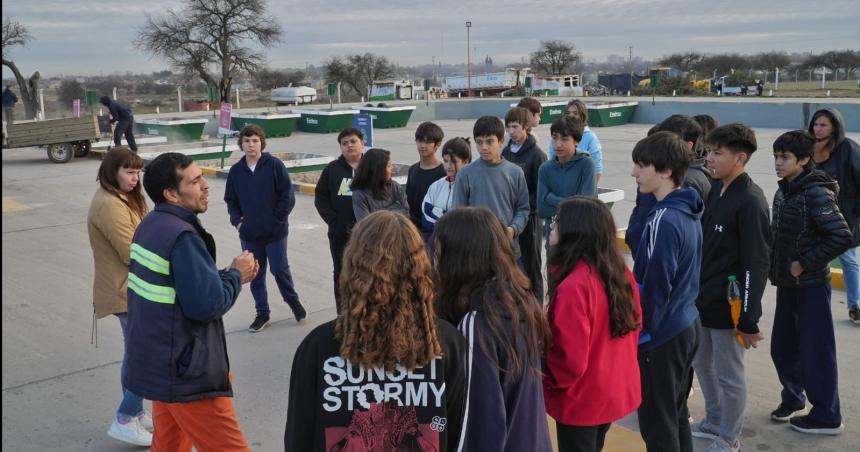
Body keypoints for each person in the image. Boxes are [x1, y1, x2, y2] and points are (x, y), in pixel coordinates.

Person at [284, 211, 467, 452]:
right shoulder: (447, 344)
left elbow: (299, 440)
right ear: (421, 269)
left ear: (353, 269)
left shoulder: (318, 347)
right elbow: (455, 437)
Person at [124, 152, 259, 451]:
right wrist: (236, 275)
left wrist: (223, 276)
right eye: (195, 181)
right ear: (171, 194)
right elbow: (206, 304)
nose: (206, 186)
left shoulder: (150, 225)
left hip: (159, 362)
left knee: (169, 446)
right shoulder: (183, 236)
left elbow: (183, 288)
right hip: (188, 374)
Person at [434, 207, 553, 452]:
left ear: (459, 258)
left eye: (438, 251)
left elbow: (479, 426)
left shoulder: (475, 325)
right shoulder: (517, 302)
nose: (433, 260)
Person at [691, 123, 771, 452]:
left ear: (740, 158)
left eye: (716, 153)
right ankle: (714, 419)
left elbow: (757, 263)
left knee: (729, 374)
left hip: (730, 306)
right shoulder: (716, 189)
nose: (708, 158)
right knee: (701, 363)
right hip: (703, 299)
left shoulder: (750, 201)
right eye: (708, 151)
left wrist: (748, 317)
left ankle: (729, 437)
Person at [544, 197, 642, 452]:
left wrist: (546, 379)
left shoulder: (574, 286)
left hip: (582, 397)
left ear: (574, 232)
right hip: (612, 388)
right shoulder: (619, 271)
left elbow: (570, 360)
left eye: (556, 222)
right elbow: (637, 322)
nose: (551, 227)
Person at [769, 130, 850, 435]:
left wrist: (803, 263)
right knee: (783, 348)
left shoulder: (816, 193)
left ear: (803, 160)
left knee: (816, 352)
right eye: (776, 156)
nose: (778, 162)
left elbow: (841, 236)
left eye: (784, 157)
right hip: (788, 286)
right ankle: (793, 398)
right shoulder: (785, 191)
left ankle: (827, 416)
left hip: (812, 286)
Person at [630, 132, 703, 452]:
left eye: (642, 166)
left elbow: (656, 285)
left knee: (657, 424)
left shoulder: (664, 218)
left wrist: (640, 330)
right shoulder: (688, 211)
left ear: (666, 171)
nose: (634, 173)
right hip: (686, 324)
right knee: (675, 415)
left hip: (661, 336)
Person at [87, 147, 152, 446]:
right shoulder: (109, 204)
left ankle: (135, 412)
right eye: (129, 171)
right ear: (112, 172)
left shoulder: (123, 198)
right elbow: (131, 252)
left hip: (131, 288)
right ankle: (126, 416)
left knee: (135, 353)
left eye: (137, 172)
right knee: (143, 355)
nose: (135, 178)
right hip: (125, 289)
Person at [224, 124, 306, 333]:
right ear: (241, 144)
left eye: (255, 140)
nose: (251, 145)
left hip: (275, 232)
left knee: (279, 270)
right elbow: (231, 200)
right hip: (250, 234)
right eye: (246, 141)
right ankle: (262, 313)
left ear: (262, 143)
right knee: (255, 275)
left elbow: (287, 195)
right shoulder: (236, 171)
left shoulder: (274, 165)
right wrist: (237, 221)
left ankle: (293, 302)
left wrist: (277, 219)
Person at [626, 115, 711, 254]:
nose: (634, 172)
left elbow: (660, 272)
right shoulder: (685, 199)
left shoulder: (666, 220)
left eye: (641, 165)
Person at [808, 107, 860, 324]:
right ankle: (817, 307)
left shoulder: (848, 148)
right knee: (816, 261)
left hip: (844, 215)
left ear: (834, 127)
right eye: (816, 124)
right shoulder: (806, 147)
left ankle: (855, 305)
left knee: (848, 259)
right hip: (813, 214)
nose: (818, 129)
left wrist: (857, 212)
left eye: (824, 125)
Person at [451, 115, 530, 254]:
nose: (484, 147)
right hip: (476, 252)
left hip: (507, 250)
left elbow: (523, 209)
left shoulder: (515, 173)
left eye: (489, 141)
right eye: (479, 142)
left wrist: (512, 230)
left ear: (501, 141)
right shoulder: (465, 174)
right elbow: (458, 214)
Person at [315, 128, 364, 314]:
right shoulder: (332, 170)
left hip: (368, 235)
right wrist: (333, 221)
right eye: (345, 143)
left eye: (353, 141)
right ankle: (342, 315)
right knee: (342, 274)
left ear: (362, 143)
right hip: (339, 235)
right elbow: (321, 197)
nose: (349, 145)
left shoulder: (372, 166)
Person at [502, 107, 548, 299]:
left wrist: (521, 206)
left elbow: (539, 191)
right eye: (508, 127)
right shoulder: (505, 152)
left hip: (529, 220)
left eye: (515, 127)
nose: (511, 132)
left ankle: (536, 308)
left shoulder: (537, 155)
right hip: (509, 219)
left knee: (531, 265)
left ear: (526, 127)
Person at [537, 115, 597, 250]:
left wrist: (550, 198)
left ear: (576, 141)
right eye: (554, 138)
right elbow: (542, 210)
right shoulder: (545, 169)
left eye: (564, 139)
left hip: (579, 242)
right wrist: (572, 203)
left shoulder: (586, 165)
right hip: (553, 243)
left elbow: (585, 208)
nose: (558, 144)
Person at [422, 137, 473, 233]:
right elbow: (426, 217)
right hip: (437, 242)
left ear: (466, 161)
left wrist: (438, 211)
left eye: (454, 161)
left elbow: (468, 222)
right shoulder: (436, 186)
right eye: (445, 161)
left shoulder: (473, 187)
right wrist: (450, 219)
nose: (448, 166)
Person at [549, 99, 604, 182]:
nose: (571, 116)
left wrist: (590, 190)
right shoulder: (557, 136)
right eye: (568, 113)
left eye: (575, 113)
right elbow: (552, 161)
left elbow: (597, 168)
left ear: (582, 116)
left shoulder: (590, 137)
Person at [407, 121, 446, 235]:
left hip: (433, 231)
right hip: (412, 230)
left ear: (437, 144)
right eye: (419, 140)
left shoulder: (443, 173)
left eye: (428, 141)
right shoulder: (413, 169)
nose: (422, 145)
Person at [351, 148, 409, 221]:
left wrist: (377, 215)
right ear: (377, 170)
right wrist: (395, 208)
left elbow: (407, 211)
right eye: (388, 166)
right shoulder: (359, 194)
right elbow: (366, 224)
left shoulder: (394, 186)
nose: (392, 168)